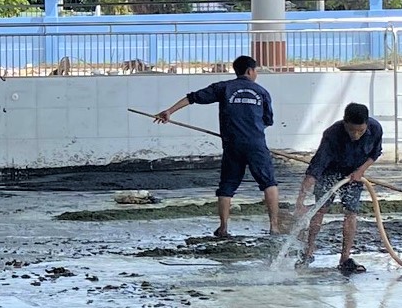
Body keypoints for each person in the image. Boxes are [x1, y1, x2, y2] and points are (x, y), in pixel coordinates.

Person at [154, 54, 281, 237]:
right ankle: (274, 227)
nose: (256, 74)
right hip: (256, 144)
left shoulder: (224, 87)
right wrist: (251, 129)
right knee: (269, 183)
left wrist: (169, 111)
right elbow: (268, 120)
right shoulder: (262, 92)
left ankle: (223, 228)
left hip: (232, 144)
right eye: (255, 71)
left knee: (227, 186)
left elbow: (192, 98)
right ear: (250, 71)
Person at [296, 102, 384, 274]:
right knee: (320, 209)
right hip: (330, 171)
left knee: (351, 212)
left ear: (366, 124)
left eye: (360, 131)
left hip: (354, 173)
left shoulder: (375, 129)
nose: (356, 135)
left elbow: (375, 153)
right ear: (345, 123)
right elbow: (315, 169)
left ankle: (345, 258)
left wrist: (360, 171)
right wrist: (300, 200)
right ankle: (308, 251)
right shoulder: (332, 134)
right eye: (352, 130)